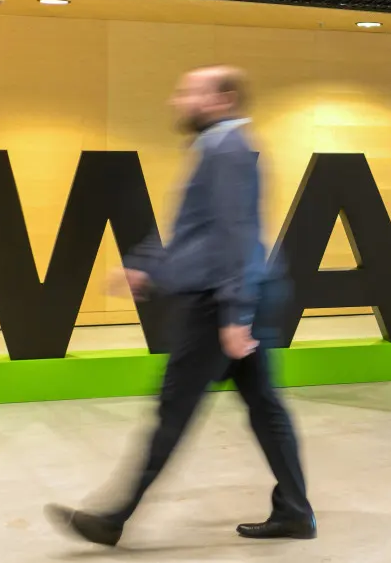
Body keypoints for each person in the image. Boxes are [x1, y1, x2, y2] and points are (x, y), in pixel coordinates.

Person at [46, 65, 315, 546]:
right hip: (230, 296)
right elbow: (199, 229)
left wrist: (235, 314)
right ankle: (295, 511)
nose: (178, 100)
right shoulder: (217, 146)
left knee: (174, 410)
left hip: (217, 304)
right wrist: (150, 266)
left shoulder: (227, 148)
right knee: (264, 407)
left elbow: (235, 236)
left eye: (190, 92)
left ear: (223, 99)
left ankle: (112, 518)